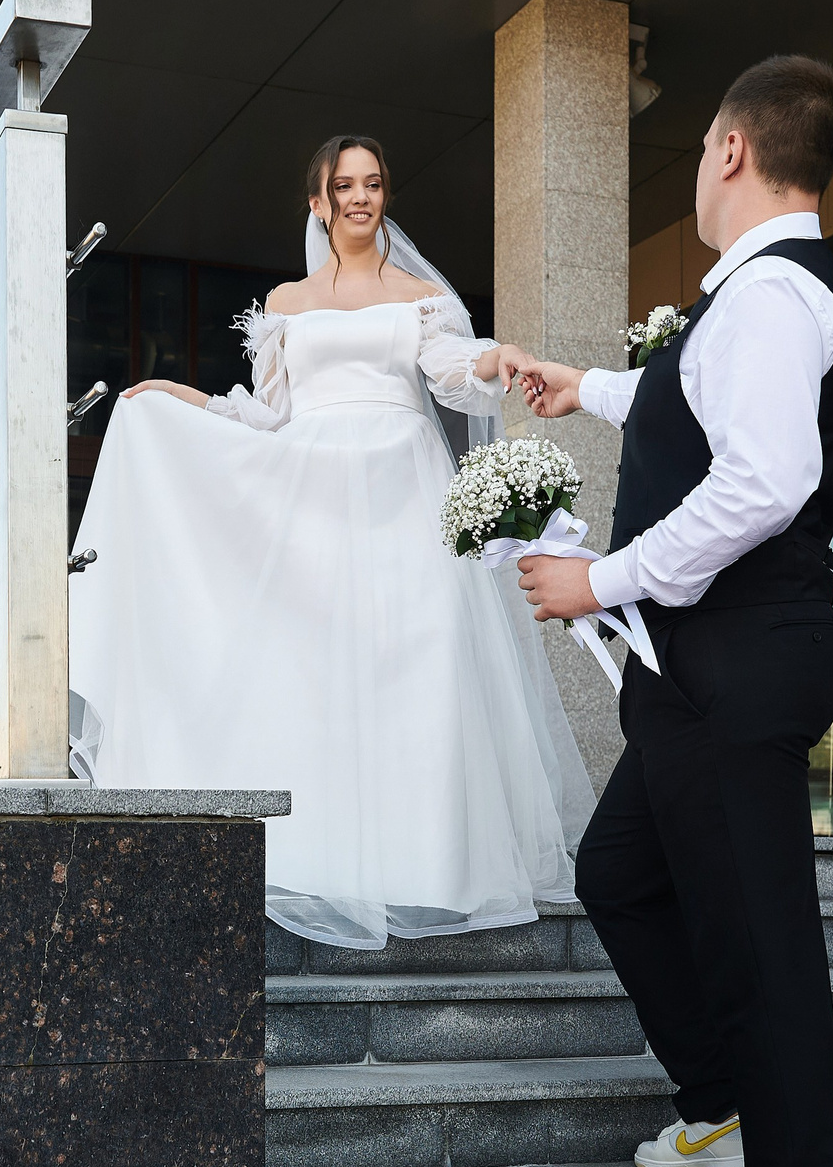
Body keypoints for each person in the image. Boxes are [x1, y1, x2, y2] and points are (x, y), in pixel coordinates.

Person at [514, 55, 833, 1167]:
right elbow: (699, 406)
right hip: (693, 676)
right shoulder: (754, 302)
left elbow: (760, 481)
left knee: (762, 950)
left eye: (698, 149)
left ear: (727, 149)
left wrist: (600, 580)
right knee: (618, 875)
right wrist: (587, 386)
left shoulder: (770, 299)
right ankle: (717, 1103)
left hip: (733, 664)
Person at [70, 135, 595, 949]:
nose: (360, 198)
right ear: (317, 202)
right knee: (314, 673)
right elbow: (272, 413)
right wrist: (180, 396)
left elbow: (454, 370)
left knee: (416, 668)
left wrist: (503, 356)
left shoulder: (419, 296)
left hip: (402, 489)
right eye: (343, 186)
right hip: (312, 496)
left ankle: (427, 868)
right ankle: (322, 855)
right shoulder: (285, 303)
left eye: (373, 184)